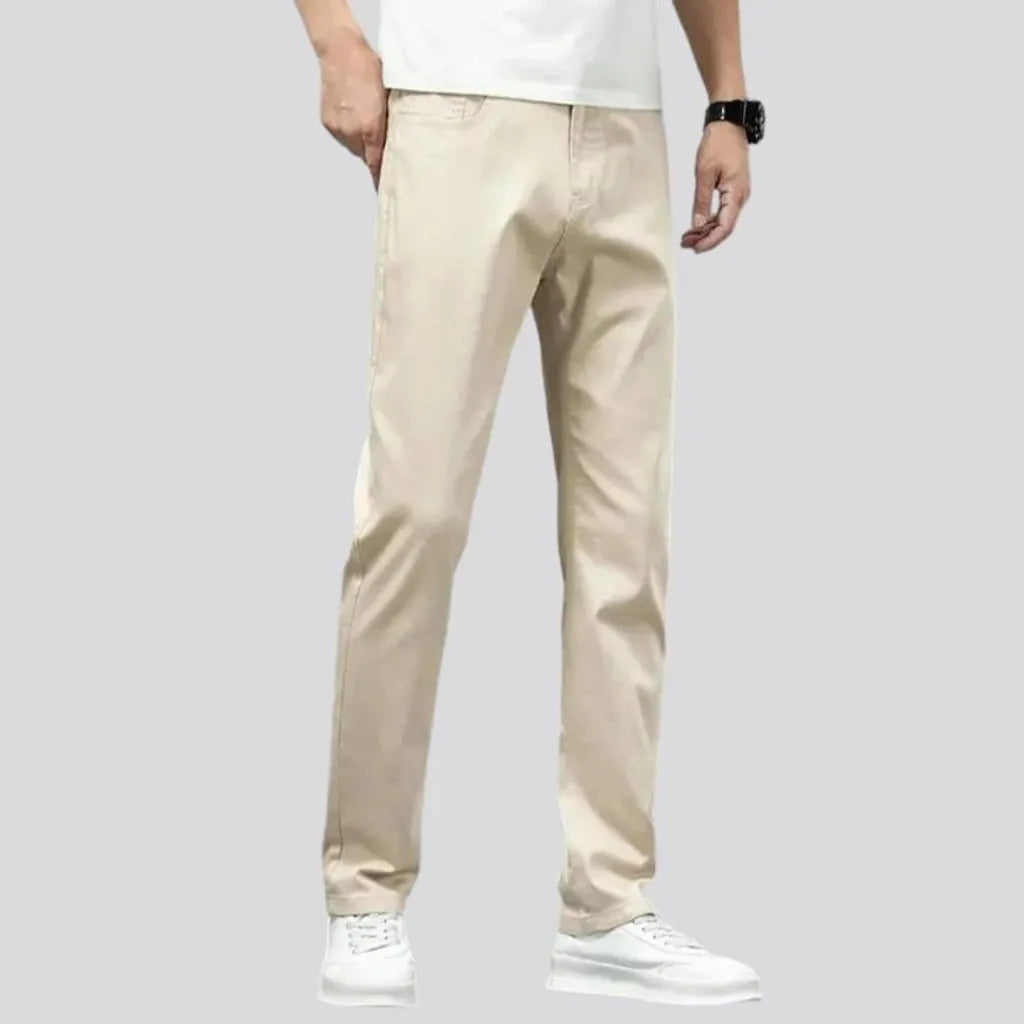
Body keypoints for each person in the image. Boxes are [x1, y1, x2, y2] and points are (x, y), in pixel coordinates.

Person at [294, 0, 765, 1007]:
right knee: (415, 513)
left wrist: (727, 97)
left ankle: (608, 901)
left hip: (623, 120)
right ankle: (365, 887)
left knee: (625, 533)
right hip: (458, 104)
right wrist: (335, 40)